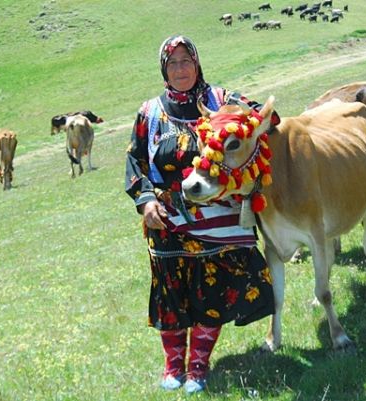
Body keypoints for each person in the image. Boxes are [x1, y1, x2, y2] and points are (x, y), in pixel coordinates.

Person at [125, 35, 278, 394]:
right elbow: (136, 162)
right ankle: (173, 365)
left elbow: (264, 119)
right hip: (166, 221)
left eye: (186, 61)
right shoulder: (150, 112)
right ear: (164, 69)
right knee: (172, 295)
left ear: (197, 63)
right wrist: (146, 202)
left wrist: (242, 118)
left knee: (211, 295)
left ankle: (198, 366)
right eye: (173, 63)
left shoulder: (220, 100)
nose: (180, 69)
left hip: (219, 221)